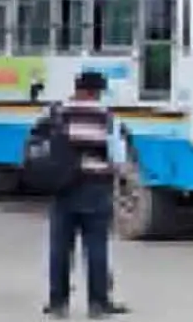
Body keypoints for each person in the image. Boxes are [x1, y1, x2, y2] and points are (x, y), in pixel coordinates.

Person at [36, 70, 130, 320]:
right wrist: (115, 171)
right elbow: (118, 157)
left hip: (63, 188)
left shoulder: (57, 112)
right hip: (96, 188)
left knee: (60, 248)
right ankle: (98, 304)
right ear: (95, 91)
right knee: (96, 247)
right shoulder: (107, 117)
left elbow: (39, 143)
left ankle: (58, 303)